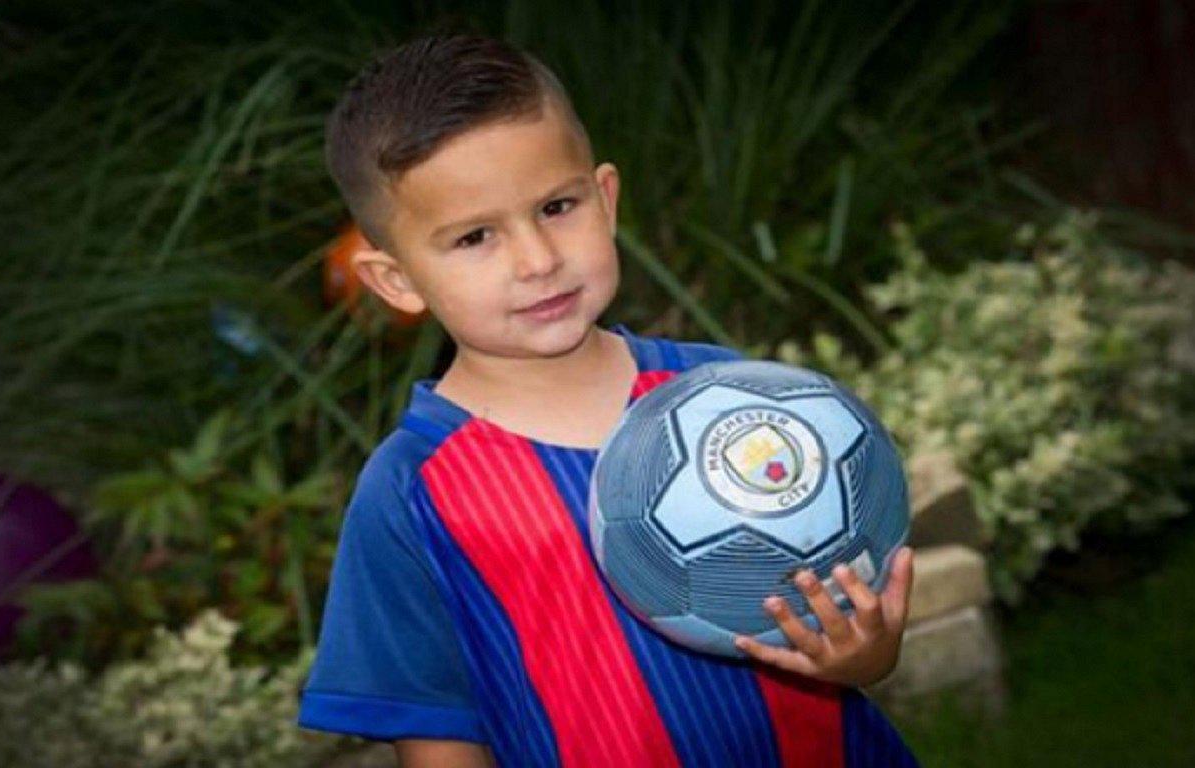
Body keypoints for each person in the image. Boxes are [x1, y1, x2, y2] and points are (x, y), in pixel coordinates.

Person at [297, 33, 918, 768]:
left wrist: (860, 655)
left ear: (606, 198)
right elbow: (438, 739)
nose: (538, 260)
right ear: (395, 281)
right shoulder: (411, 494)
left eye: (558, 206)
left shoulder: (733, 399)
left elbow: (844, 625)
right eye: (474, 238)